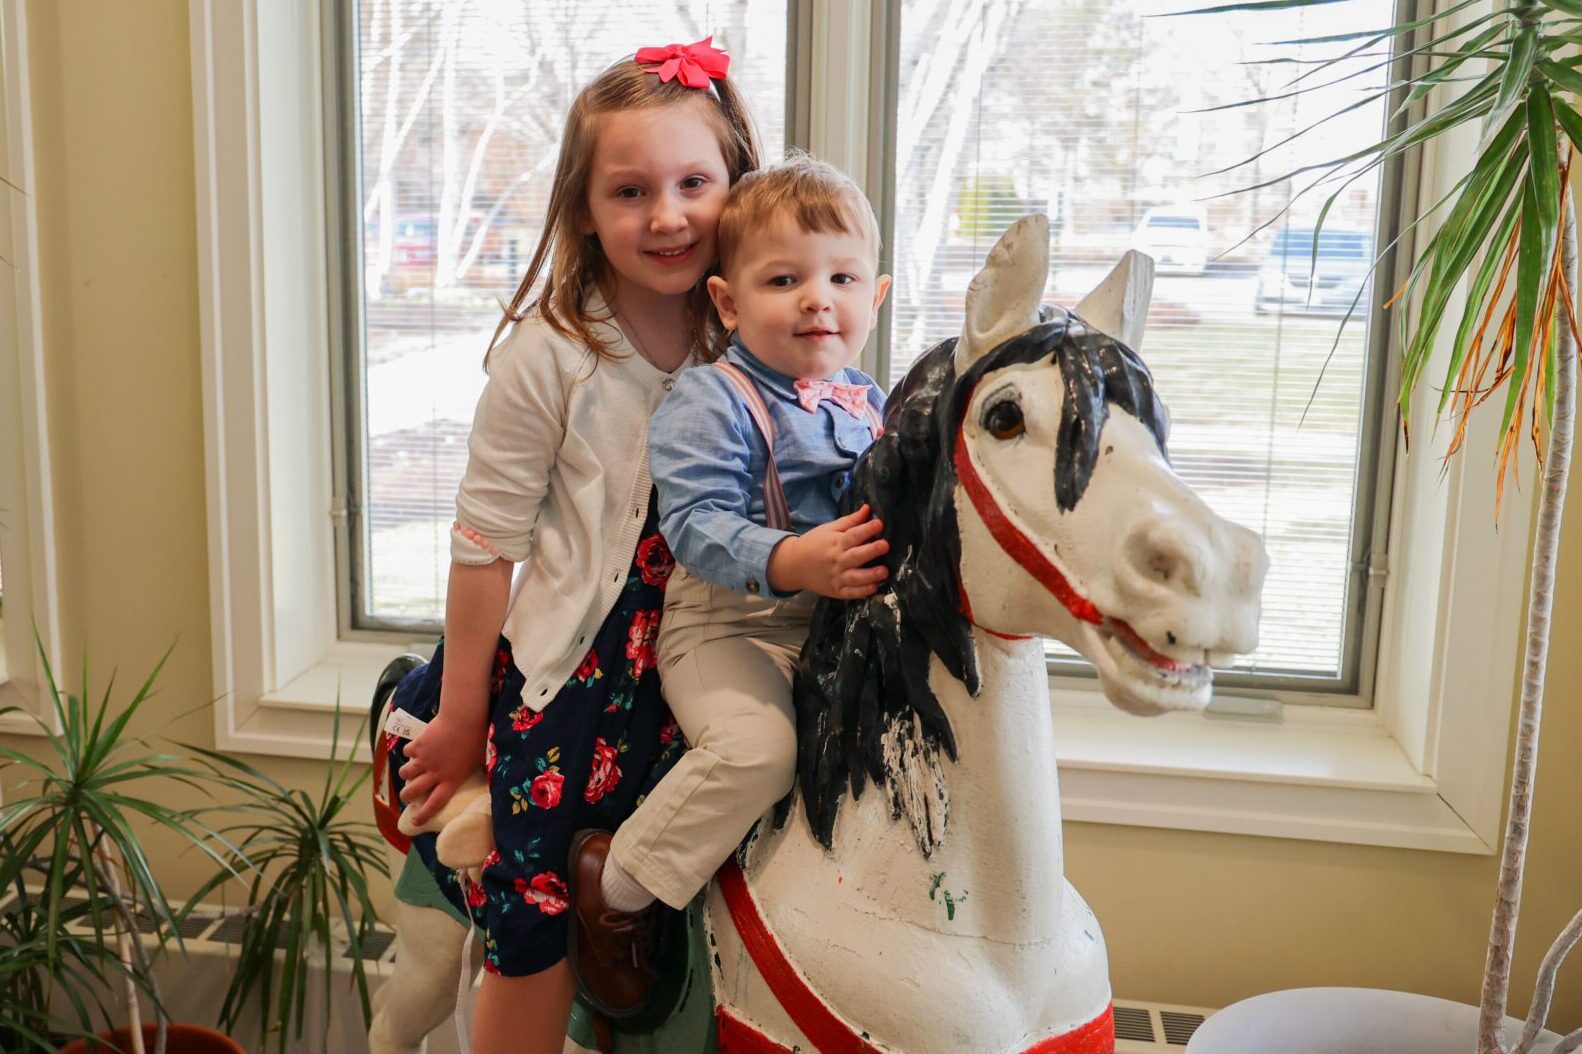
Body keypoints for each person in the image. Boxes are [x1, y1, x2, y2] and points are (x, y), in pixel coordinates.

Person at [385, 37, 760, 1054]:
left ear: (738, 185)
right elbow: (483, 544)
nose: (668, 215)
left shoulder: (754, 341)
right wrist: (464, 716)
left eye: (694, 182)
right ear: (585, 210)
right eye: (630, 191)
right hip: (582, 673)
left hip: (713, 648)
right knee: (536, 897)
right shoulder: (552, 355)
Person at [567, 155, 893, 1003]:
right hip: (727, 628)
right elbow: (697, 526)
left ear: (875, 297)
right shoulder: (714, 397)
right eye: (784, 279)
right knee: (761, 751)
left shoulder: (869, 402)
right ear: (727, 301)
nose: (817, 298)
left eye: (842, 277)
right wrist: (793, 559)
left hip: (831, 630)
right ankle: (617, 886)